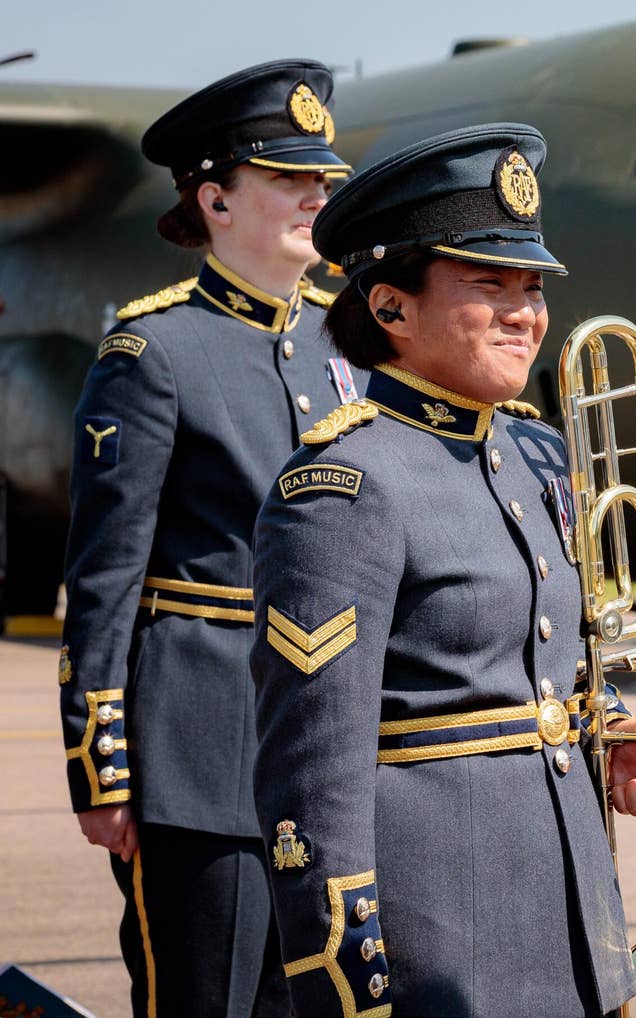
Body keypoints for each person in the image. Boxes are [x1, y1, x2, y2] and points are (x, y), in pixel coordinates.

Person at [249, 123, 636, 1016]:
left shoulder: (536, 451)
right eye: (487, 285)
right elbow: (313, 770)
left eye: (531, 287)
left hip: (575, 933)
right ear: (390, 307)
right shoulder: (345, 484)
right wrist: (346, 976)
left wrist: (615, 738)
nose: (525, 312)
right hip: (439, 949)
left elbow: (546, 666)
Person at [58, 60, 356, 1017]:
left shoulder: (352, 343)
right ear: (216, 199)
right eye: (287, 178)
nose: (317, 194)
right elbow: (105, 575)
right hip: (202, 748)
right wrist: (100, 765)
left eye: (321, 178)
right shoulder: (155, 353)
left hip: (336, 747)